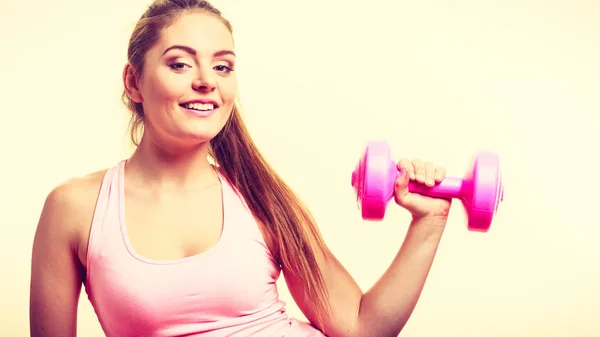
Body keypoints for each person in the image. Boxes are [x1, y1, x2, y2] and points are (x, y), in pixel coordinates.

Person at [29, 0, 452, 336]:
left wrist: (429, 221)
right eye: (179, 63)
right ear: (134, 81)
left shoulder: (259, 195)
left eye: (222, 66)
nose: (206, 80)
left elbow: (360, 328)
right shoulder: (75, 208)